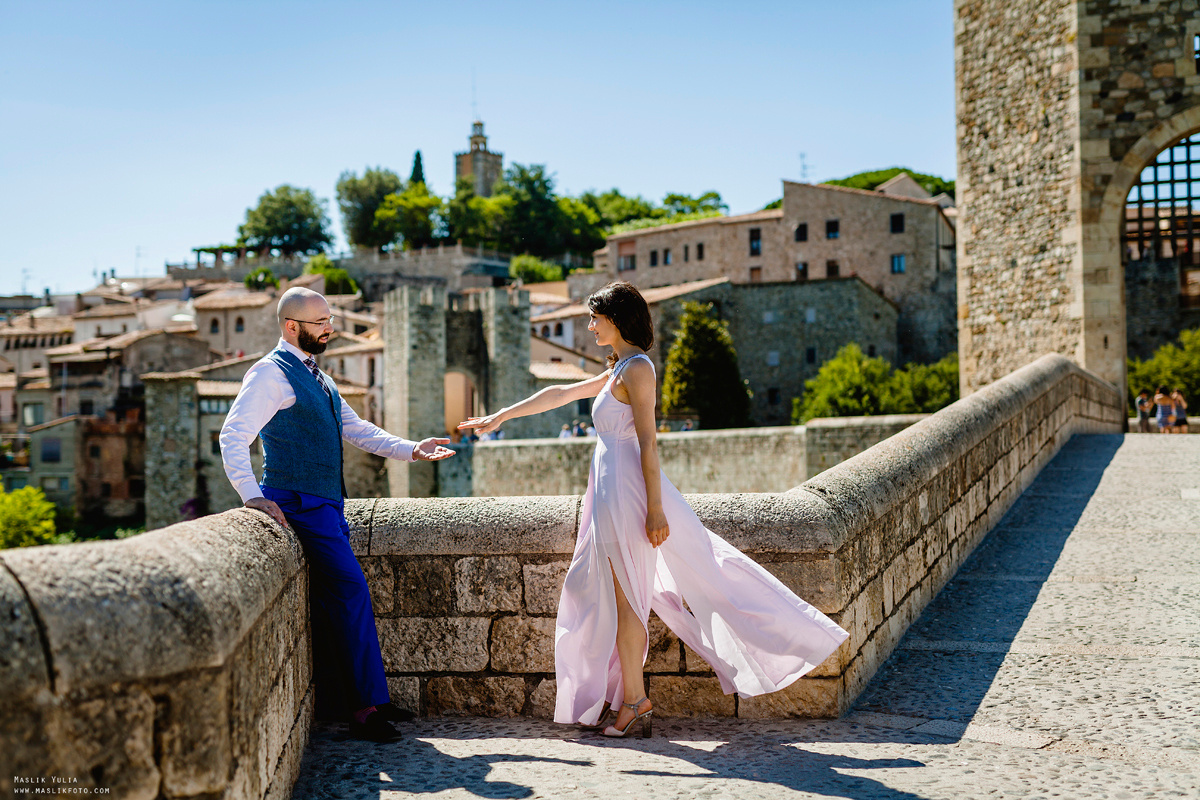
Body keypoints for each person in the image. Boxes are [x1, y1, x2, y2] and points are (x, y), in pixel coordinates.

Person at [458, 282, 848, 739]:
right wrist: (501, 416)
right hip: (608, 495)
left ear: (617, 319)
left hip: (627, 495)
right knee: (607, 596)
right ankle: (630, 699)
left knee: (629, 600)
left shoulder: (639, 369)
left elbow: (648, 442)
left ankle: (635, 701)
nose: (590, 326)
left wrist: (656, 510)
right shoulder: (618, 369)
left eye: (595, 318)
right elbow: (560, 392)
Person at [220, 287, 455, 743]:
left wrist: (412, 449)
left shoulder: (319, 377)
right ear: (292, 327)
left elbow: (356, 429)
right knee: (351, 591)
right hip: (298, 504)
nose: (330, 328)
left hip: (327, 504)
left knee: (345, 597)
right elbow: (233, 436)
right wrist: (251, 496)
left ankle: (372, 699)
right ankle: (365, 710)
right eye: (321, 322)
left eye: (330, 320)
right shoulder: (270, 373)